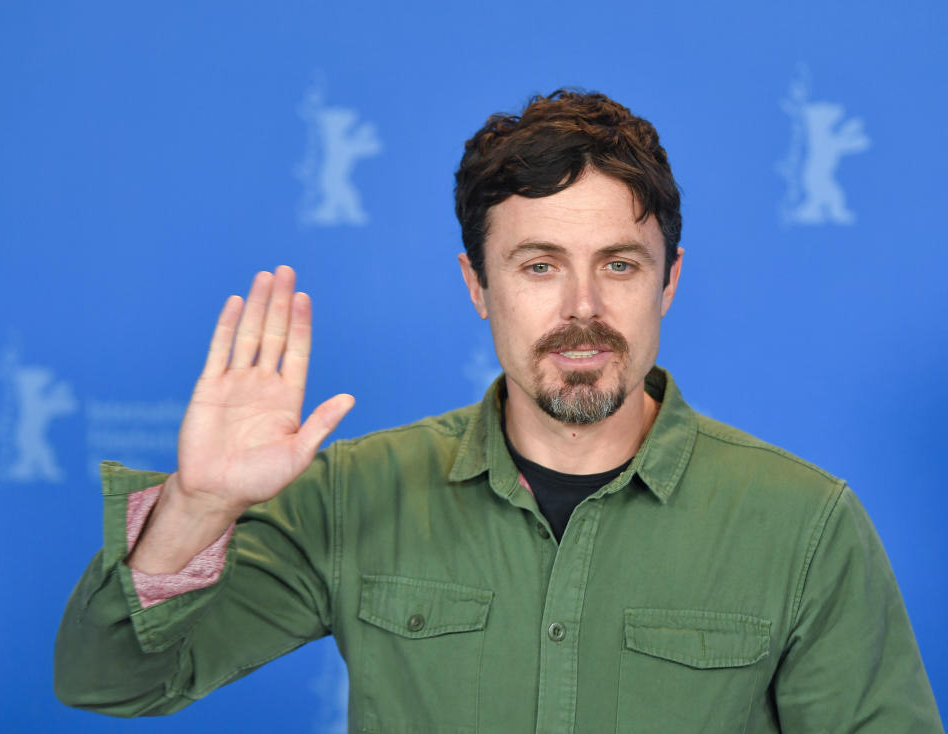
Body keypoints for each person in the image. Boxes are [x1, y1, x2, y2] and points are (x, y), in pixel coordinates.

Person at [55, 90, 943, 733]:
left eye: (621, 265)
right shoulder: (354, 496)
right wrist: (199, 508)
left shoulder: (805, 525)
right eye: (539, 264)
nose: (583, 307)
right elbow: (109, 682)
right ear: (478, 285)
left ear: (668, 281)